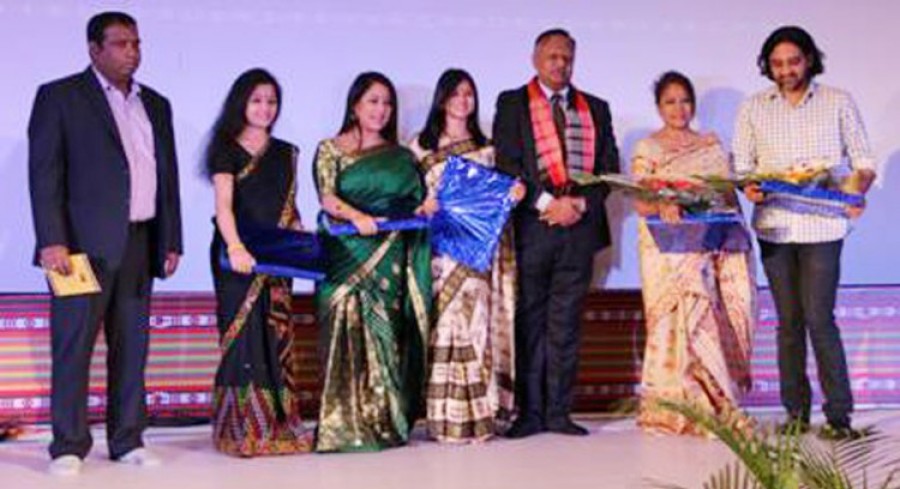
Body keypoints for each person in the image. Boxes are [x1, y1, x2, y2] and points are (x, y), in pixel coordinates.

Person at [27, 11, 182, 475]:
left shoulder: (156, 103)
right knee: (73, 346)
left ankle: (127, 438)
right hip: (77, 249)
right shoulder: (60, 97)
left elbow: (167, 177)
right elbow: (45, 175)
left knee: (132, 346)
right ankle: (68, 445)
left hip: (140, 241)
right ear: (94, 49)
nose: (131, 52)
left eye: (136, 43)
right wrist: (51, 240)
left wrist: (171, 238)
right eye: (120, 43)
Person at [733, 26, 877, 440]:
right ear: (768, 67)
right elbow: (743, 168)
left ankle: (839, 416)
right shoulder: (753, 107)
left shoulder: (837, 101)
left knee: (819, 319)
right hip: (775, 226)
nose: (786, 71)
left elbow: (864, 163)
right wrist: (749, 188)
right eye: (777, 64)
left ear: (809, 59)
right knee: (788, 324)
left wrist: (856, 192)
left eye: (793, 62)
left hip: (823, 225)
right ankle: (795, 414)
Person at [493, 28, 620, 438]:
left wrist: (579, 204)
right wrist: (549, 203)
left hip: (580, 228)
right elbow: (507, 164)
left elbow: (608, 169)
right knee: (530, 321)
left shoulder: (595, 108)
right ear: (535, 59)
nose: (560, 64)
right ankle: (530, 413)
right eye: (552, 56)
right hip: (535, 226)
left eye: (567, 57)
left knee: (566, 324)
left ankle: (559, 413)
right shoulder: (513, 103)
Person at [631, 71, 756, 436]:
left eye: (685, 100)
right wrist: (663, 204)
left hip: (706, 248)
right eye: (670, 102)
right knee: (677, 325)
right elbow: (641, 203)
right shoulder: (648, 148)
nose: (679, 108)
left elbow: (726, 199)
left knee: (706, 322)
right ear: (659, 107)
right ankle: (673, 409)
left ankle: (716, 405)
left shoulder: (710, 145)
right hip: (667, 252)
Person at [312, 72, 431, 452]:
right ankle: (338, 427)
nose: (381, 110)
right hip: (344, 251)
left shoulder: (402, 157)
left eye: (387, 103)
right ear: (355, 106)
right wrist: (356, 217)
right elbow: (327, 199)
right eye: (373, 101)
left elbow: (413, 205)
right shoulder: (330, 149)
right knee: (341, 327)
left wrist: (426, 207)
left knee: (385, 333)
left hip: (388, 253)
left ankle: (384, 423)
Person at [409, 69, 521, 443]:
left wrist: (513, 195)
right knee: (446, 325)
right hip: (441, 253)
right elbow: (409, 198)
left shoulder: (487, 149)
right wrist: (422, 205)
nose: (463, 100)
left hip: (478, 256)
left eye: (469, 93)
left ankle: (480, 417)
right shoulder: (420, 148)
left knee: (476, 326)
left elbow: (494, 202)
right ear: (442, 99)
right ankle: (444, 418)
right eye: (456, 93)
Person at [205, 68, 312, 456]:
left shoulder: (286, 153)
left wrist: (300, 238)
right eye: (257, 101)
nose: (265, 108)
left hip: (277, 259)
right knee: (243, 338)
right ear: (241, 103)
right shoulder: (225, 147)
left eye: (271, 101)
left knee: (273, 335)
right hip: (237, 257)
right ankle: (240, 430)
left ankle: (278, 426)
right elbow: (224, 207)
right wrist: (236, 247)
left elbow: (289, 209)